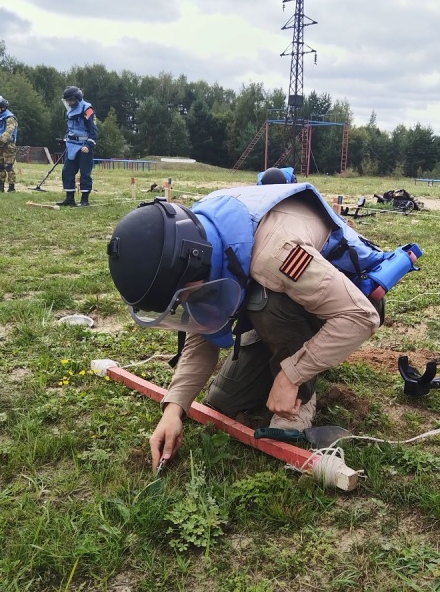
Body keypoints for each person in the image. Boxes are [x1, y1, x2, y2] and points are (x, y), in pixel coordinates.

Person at [106, 182, 421, 469]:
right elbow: (200, 335)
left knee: (262, 300)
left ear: (195, 263)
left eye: (185, 296)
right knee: (223, 402)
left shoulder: (276, 254)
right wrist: (174, 409)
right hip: (291, 298)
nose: (186, 305)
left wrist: (291, 375)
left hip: (346, 302)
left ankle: (301, 400)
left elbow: (359, 316)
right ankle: (289, 356)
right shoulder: (196, 234)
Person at [57, 86, 97, 207]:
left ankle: (85, 200)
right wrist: (65, 140)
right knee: (67, 171)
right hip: (71, 145)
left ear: (78, 98)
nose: (69, 103)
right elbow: (70, 129)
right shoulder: (69, 111)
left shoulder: (87, 110)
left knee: (85, 173)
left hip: (83, 147)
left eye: (71, 100)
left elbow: (93, 131)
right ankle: (69, 199)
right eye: (68, 100)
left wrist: (89, 145)